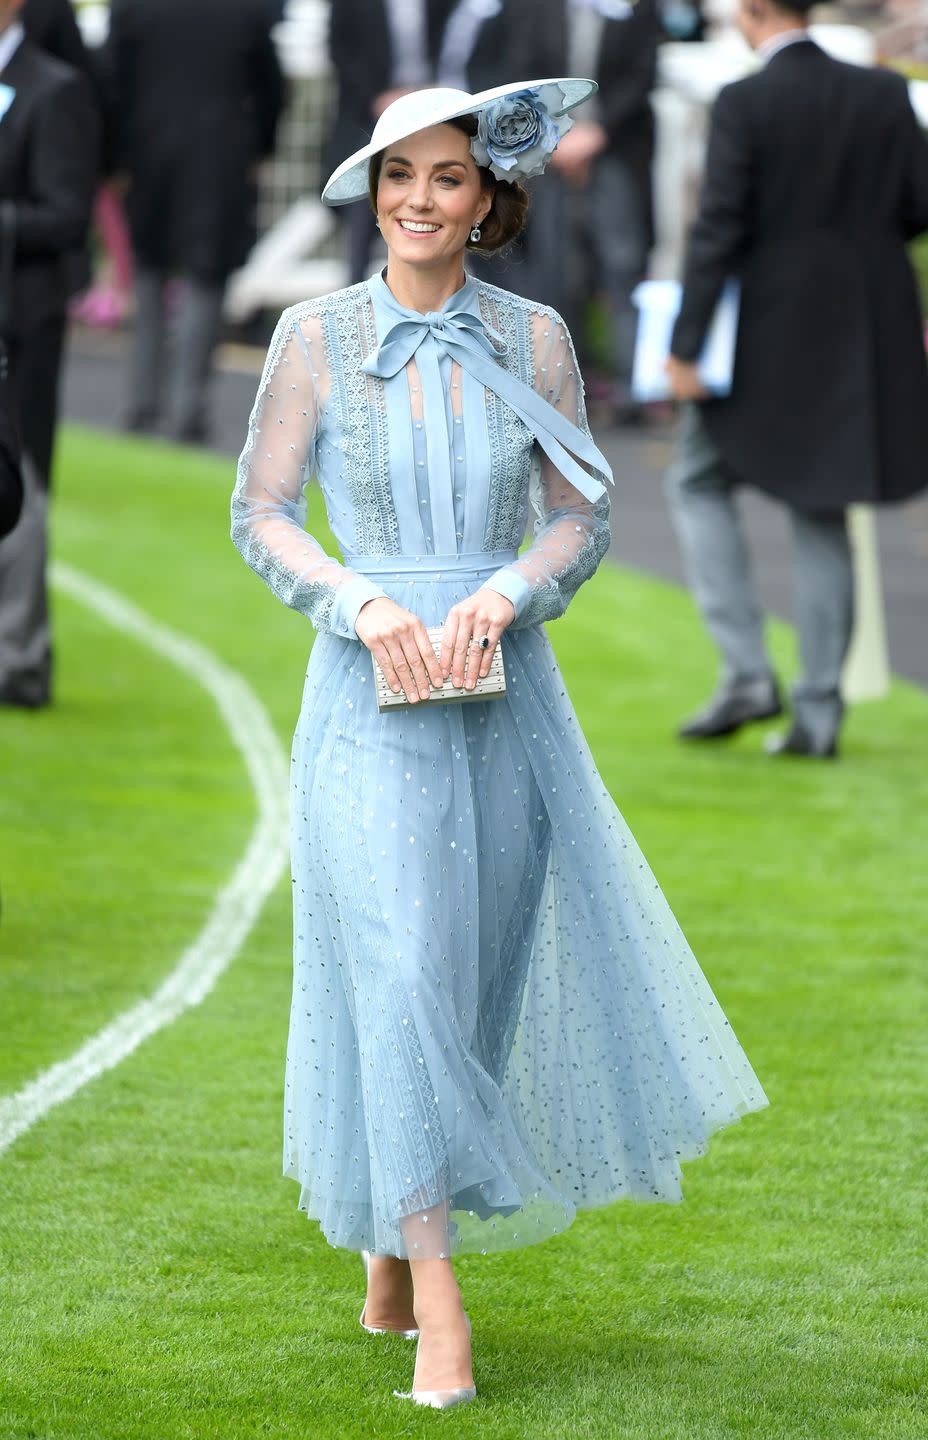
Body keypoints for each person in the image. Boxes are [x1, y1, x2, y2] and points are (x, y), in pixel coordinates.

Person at [232, 79, 768, 1409]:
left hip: (506, 694)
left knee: (465, 985)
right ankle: (444, 1302)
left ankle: (387, 1229)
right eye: (397, 173)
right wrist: (354, 598)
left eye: (448, 178)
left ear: (489, 198)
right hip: (366, 697)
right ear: (369, 187)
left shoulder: (532, 339)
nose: (419, 198)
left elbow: (580, 519)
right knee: (404, 968)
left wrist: (503, 594)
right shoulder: (314, 334)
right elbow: (263, 511)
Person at [665, 0, 928, 758]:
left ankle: (747, 670)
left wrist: (685, 347)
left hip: (766, 333)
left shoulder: (745, 100)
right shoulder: (883, 92)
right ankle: (817, 712)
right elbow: (919, 204)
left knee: (696, 479)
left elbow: (719, 226)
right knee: (823, 509)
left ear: (752, 11)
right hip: (864, 337)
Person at [107, 0, 284, 442]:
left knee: (148, 274)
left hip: (149, 153)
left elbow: (112, 84)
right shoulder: (245, 10)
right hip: (219, 156)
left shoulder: (133, 8)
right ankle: (188, 408)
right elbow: (272, 89)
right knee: (206, 281)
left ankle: (140, 402)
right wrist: (259, 148)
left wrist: (115, 160)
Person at [0, 0, 99, 708]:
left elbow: (67, 215)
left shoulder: (55, 88)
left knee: (22, 481)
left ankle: (19, 659)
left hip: (22, 322)